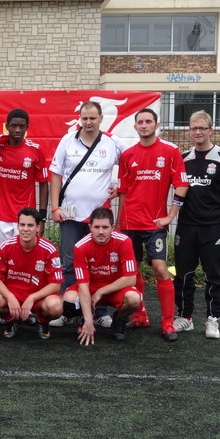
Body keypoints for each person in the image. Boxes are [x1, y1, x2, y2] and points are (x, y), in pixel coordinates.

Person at [48, 101, 128, 329]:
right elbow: (55, 174)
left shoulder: (113, 142)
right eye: (84, 118)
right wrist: (55, 207)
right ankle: (69, 311)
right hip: (70, 215)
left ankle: (100, 312)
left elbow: (131, 166)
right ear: (79, 119)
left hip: (100, 218)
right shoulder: (67, 140)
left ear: (101, 118)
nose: (88, 122)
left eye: (93, 118)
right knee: (69, 263)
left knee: (100, 266)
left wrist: (119, 187)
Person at [116, 108, 189, 342]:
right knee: (133, 271)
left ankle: (167, 323)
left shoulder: (170, 151)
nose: (144, 125)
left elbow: (182, 185)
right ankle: (141, 316)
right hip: (130, 223)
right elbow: (123, 191)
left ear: (156, 125)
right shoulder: (127, 155)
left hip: (155, 223)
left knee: (160, 268)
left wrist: (170, 216)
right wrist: (118, 223)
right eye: (140, 122)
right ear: (135, 127)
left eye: (148, 121)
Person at [173, 110, 220, 339]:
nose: (197, 132)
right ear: (189, 130)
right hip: (186, 226)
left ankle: (213, 319)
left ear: (210, 130)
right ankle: (185, 317)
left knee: (214, 275)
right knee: (183, 275)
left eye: (202, 128)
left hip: (214, 226)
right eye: (193, 128)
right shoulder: (183, 158)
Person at [60, 207, 141, 345]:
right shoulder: (80, 247)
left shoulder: (124, 241)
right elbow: (83, 286)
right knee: (69, 300)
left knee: (134, 299)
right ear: (90, 227)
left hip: (114, 289)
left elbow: (131, 278)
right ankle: (84, 319)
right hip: (89, 288)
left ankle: (119, 320)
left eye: (105, 227)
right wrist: (89, 321)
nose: (101, 232)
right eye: (97, 227)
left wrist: (101, 291)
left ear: (112, 228)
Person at [0, 207, 63, 339]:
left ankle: (42, 321)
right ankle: (12, 319)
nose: (25, 229)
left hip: (38, 297)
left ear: (38, 228)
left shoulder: (49, 249)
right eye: (22, 225)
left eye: (30, 225)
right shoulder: (6, 246)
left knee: (55, 307)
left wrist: (32, 298)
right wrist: (10, 297)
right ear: (18, 226)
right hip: (12, 295)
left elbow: (56, 284)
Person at [0, 108, 49, 248]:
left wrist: (42, 218)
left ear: (27, 127)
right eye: (13, 126)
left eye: (22, 126)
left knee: (26, 251)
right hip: (2, 215)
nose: (17, 130)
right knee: (3, 253)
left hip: (26, 216)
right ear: (7, 127)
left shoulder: (35, 150)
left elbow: (43, 183)